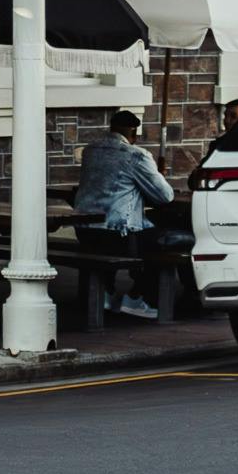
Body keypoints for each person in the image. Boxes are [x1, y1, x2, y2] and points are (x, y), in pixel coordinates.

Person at [72, 110, 178, 321]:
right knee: (161, 242)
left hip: (84, 229)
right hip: (116, 231)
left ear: (111, 128)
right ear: (134, 134)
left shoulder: (90, 151)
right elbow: (165, 196)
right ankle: (138, 298)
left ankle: (105, 293)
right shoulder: (136, 155)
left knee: (122, 241)